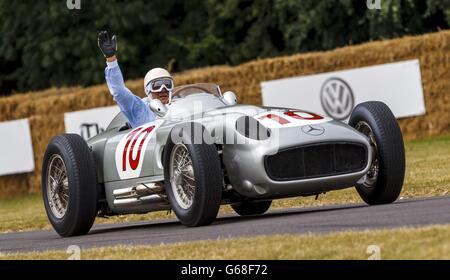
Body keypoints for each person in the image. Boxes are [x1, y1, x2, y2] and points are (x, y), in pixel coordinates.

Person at [97, 31, 175, 128]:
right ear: (148, 90)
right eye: (157, 86)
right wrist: (111, 59)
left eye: (167, 84)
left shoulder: (180, 106)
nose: (163, 89)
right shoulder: (141, 109)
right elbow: (119, 92)